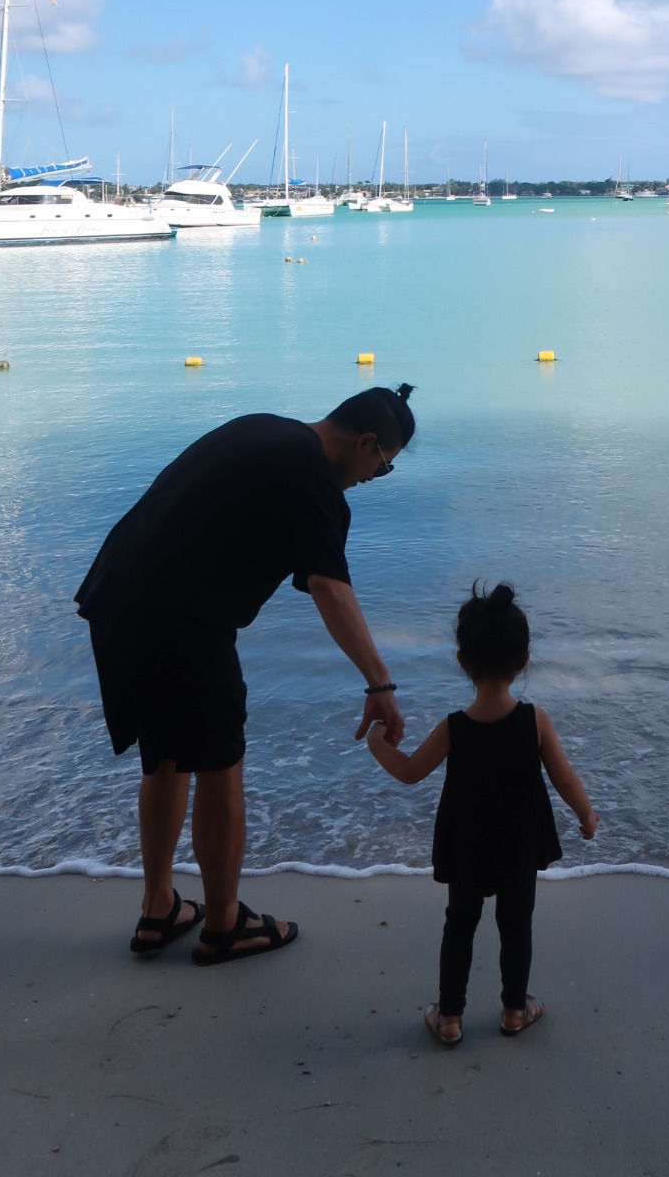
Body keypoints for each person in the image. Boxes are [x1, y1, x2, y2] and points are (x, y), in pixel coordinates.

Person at [75, 384, 414, 964]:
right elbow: (330, 587)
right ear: (366, 443)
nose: (369, 479)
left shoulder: (265, 428)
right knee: (218, 764)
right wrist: (380, 684)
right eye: (381, 468)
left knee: (166, 756)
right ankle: (225, 926)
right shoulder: (313, 479)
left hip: (118, 596)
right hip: (183, 618)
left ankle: (159, 909)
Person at [367, 581, 598, 1044]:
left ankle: (449, 1017)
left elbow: (410, 771)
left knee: (460, 924)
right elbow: (565, 779)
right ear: (524, 660)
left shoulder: (454, 727)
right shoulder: (535, 721)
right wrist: (586, 816)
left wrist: (376, 743)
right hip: (518, 845)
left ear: (462, 662)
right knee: (516, 926)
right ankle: (515, 1010)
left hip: (467, 845)